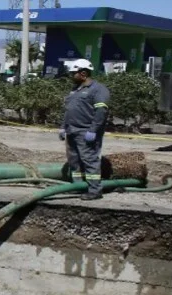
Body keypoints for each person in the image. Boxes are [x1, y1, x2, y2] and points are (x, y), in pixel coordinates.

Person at [60, 59, 110, 201]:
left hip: (86, 132)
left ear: (83, 73)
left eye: (73, 73)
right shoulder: (75, 90)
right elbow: (69, 110)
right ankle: (78, 187)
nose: (71, 76)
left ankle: (95, 190)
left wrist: (93, 130)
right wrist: (63, 127)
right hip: (72, 131)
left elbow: (101, 111)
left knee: (89, 160)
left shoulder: (98, 89)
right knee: (74, 161)